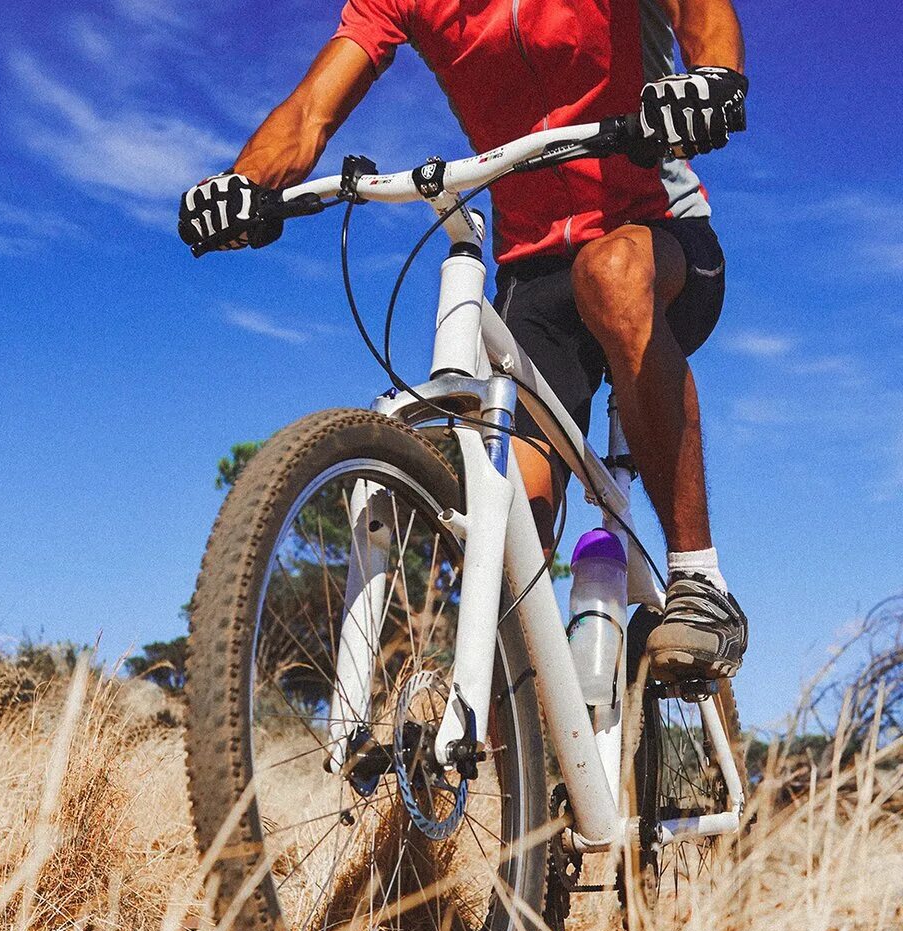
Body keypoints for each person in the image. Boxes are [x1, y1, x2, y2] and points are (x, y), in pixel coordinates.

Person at [178, 0, 749, 684]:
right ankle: (523, 758)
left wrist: (711, 78)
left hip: (658, 237)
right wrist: (242, 185)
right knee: (511, 532)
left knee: (611, 273)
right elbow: (309, 113)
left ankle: (699, 582)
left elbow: (701, 12)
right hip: (533, 276)